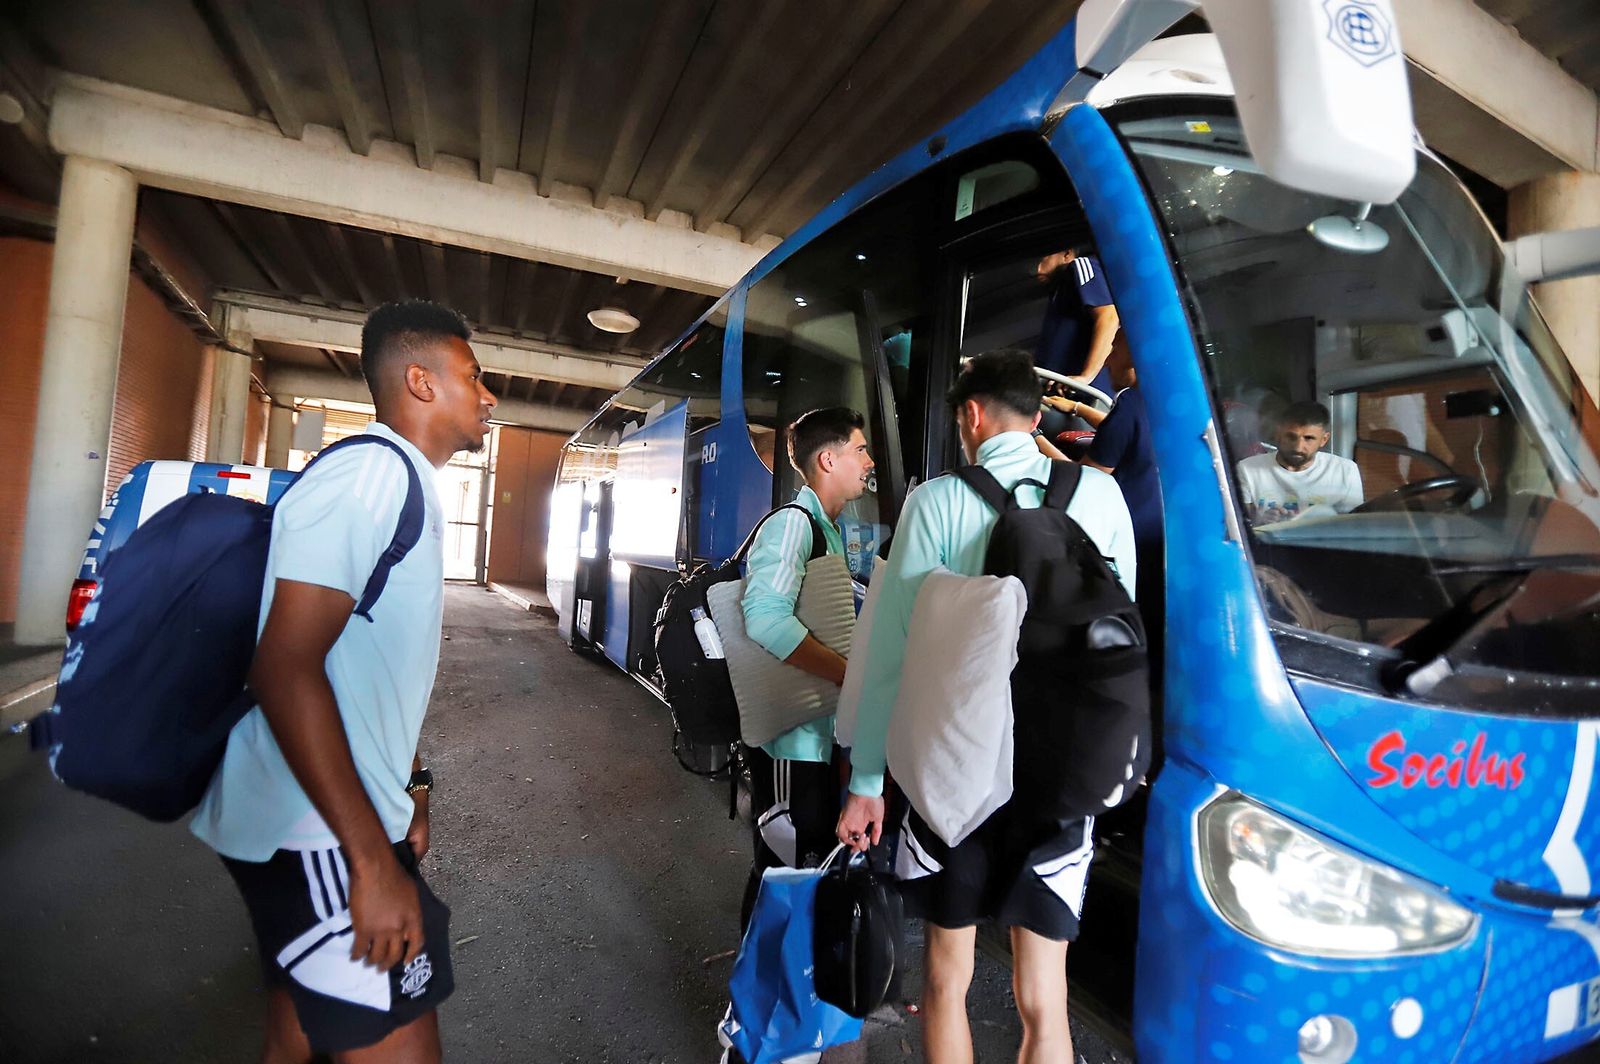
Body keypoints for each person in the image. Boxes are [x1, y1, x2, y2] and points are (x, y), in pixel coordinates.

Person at [191, 300, 497, 1064]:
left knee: (295, 1038)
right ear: (420, 382)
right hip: (319, 836)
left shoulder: (404, 484)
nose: (489, 396)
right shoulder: (370, 474)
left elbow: (371, 664)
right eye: (473, 377)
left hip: (329, 825)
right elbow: (284, 666)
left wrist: (414, 784)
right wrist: (370, 861)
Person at [837, 350, 1135, 1064]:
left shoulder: (934, 501)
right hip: (1062, 774)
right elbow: (1122, 637)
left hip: (955, 774)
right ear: (1036, 414)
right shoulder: (1102, 497)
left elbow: (889, 655)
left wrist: (868, 780)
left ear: (971, 416)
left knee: (947, 979)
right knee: (1044, 996)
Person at [738, 407, 875, 924]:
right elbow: (765, 619)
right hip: (791, 739)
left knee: (802, 865)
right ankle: (758, 1000)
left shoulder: (829, 530)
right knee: (783, 866)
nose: (869, 461)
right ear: (828, 458)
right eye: (860, 450)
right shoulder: (795, 526)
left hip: (816, 735)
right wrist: (846, 672)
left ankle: (783, 990)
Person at [1236, 400, 1364, 525]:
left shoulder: (1345, 471)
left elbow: (1353, 526)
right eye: (1291, 437)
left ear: (1324, 440)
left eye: (1308, 439)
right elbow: (1238, 523)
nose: (1298, 447)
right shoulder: (1247, 469)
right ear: (1278, 434)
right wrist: (1261, 522)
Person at [1034, 249, 1119, 395]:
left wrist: (1086, 376)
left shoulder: (1082, 266)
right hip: (1061, 391)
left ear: (1067, 254)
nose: (1037, 269)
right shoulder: (1059, 291)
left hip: (1082, 393)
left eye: (1044, 258)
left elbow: (1109, 317)